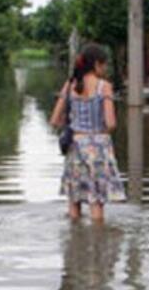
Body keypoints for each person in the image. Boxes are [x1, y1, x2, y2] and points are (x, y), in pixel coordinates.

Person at [50, 43, 126, 222]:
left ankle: (75, 244)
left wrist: (73, 125)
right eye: (104, 64)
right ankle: (97, 242)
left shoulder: (70, 85)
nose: (105, 68)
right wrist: (100, 130)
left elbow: (54, 120)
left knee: (74, 199)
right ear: (97, 64)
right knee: (96, 201)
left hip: (74, 147)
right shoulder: (104, 86)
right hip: (98, 149)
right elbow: (111, 122)